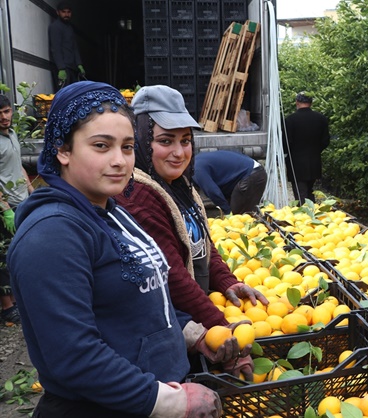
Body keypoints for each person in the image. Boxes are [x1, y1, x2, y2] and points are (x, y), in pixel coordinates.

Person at [7, 81, 233, 417]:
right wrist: (168, 402)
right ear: (63, 149)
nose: (119, 160)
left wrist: (194, 334)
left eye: (127, 147)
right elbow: (75, 356)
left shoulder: (113, 211)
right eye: (101, 146)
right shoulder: (51, 234)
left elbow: (142, 300)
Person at [114, 85, 268, 333]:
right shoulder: (139, 195)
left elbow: (202, 244)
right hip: (178, 328)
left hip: (200, 315)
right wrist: (221, 325)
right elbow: (173, 277)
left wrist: (226, 281)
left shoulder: (179, 185)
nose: (179, 152)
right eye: (165, 141)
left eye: (185, 141)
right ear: (141, 138)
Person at [0, 94, 34, 325]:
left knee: (19, 253)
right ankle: (7, 307)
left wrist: (31, 190)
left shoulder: (12, 134)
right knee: (5, 256)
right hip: (6, 206)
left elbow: (18, 165)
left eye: (6, 111)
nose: (4, 117)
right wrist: (4, 209)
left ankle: (18, 299)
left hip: (21, 201)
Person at [283, 91, 330, 203]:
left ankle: (304, 215)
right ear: (311, 103)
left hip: (296, 162)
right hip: (314, 160)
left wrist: (288, 154)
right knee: (310, 190)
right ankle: (312, 212)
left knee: (300, 192)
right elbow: (325, 141)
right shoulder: (321, 119)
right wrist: (316, 150)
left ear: (297, 102)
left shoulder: (290, 120)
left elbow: (286, 143)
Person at [192, 149, 267, 215]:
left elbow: (212, 191)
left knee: (238, 218)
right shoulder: (195, 162)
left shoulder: (196, 169)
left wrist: (227, 211)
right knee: (237, 217)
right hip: (246, 174)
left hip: (252, 175)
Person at [48, 2, 85, 91]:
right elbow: (55, 48)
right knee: (64, 94)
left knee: (74, 94)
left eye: (68, 12)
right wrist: (61, 68)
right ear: (58, 12)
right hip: (63, 69)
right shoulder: (55, 27)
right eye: (63, 12)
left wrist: (79, 64)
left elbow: (74, 47)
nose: (66, 14)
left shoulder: (69, 28)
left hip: (72, 68)